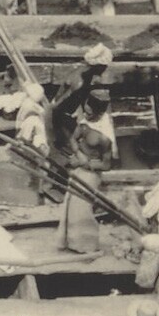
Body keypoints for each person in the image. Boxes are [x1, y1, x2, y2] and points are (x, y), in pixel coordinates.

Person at [57, 88, 115, 254]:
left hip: (91, 173)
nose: (86, 115)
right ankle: (71, 242)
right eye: (86, 111)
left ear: (99, 113)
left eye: (90, 114)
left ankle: (86, 245)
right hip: (79, 166)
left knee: (81, 208)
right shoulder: (84, 123)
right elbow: (73, 139)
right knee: (69, 204)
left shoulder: (104, 137)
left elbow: (106, 165)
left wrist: (86, 163)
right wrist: (78, 154)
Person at [51, 43, 114, 150]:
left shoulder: (82, 72)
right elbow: (57, 107)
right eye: (104, 66)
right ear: (98, 66)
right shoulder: (79, 83)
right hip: (62, 118)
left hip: (67, 115)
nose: (105, 69)